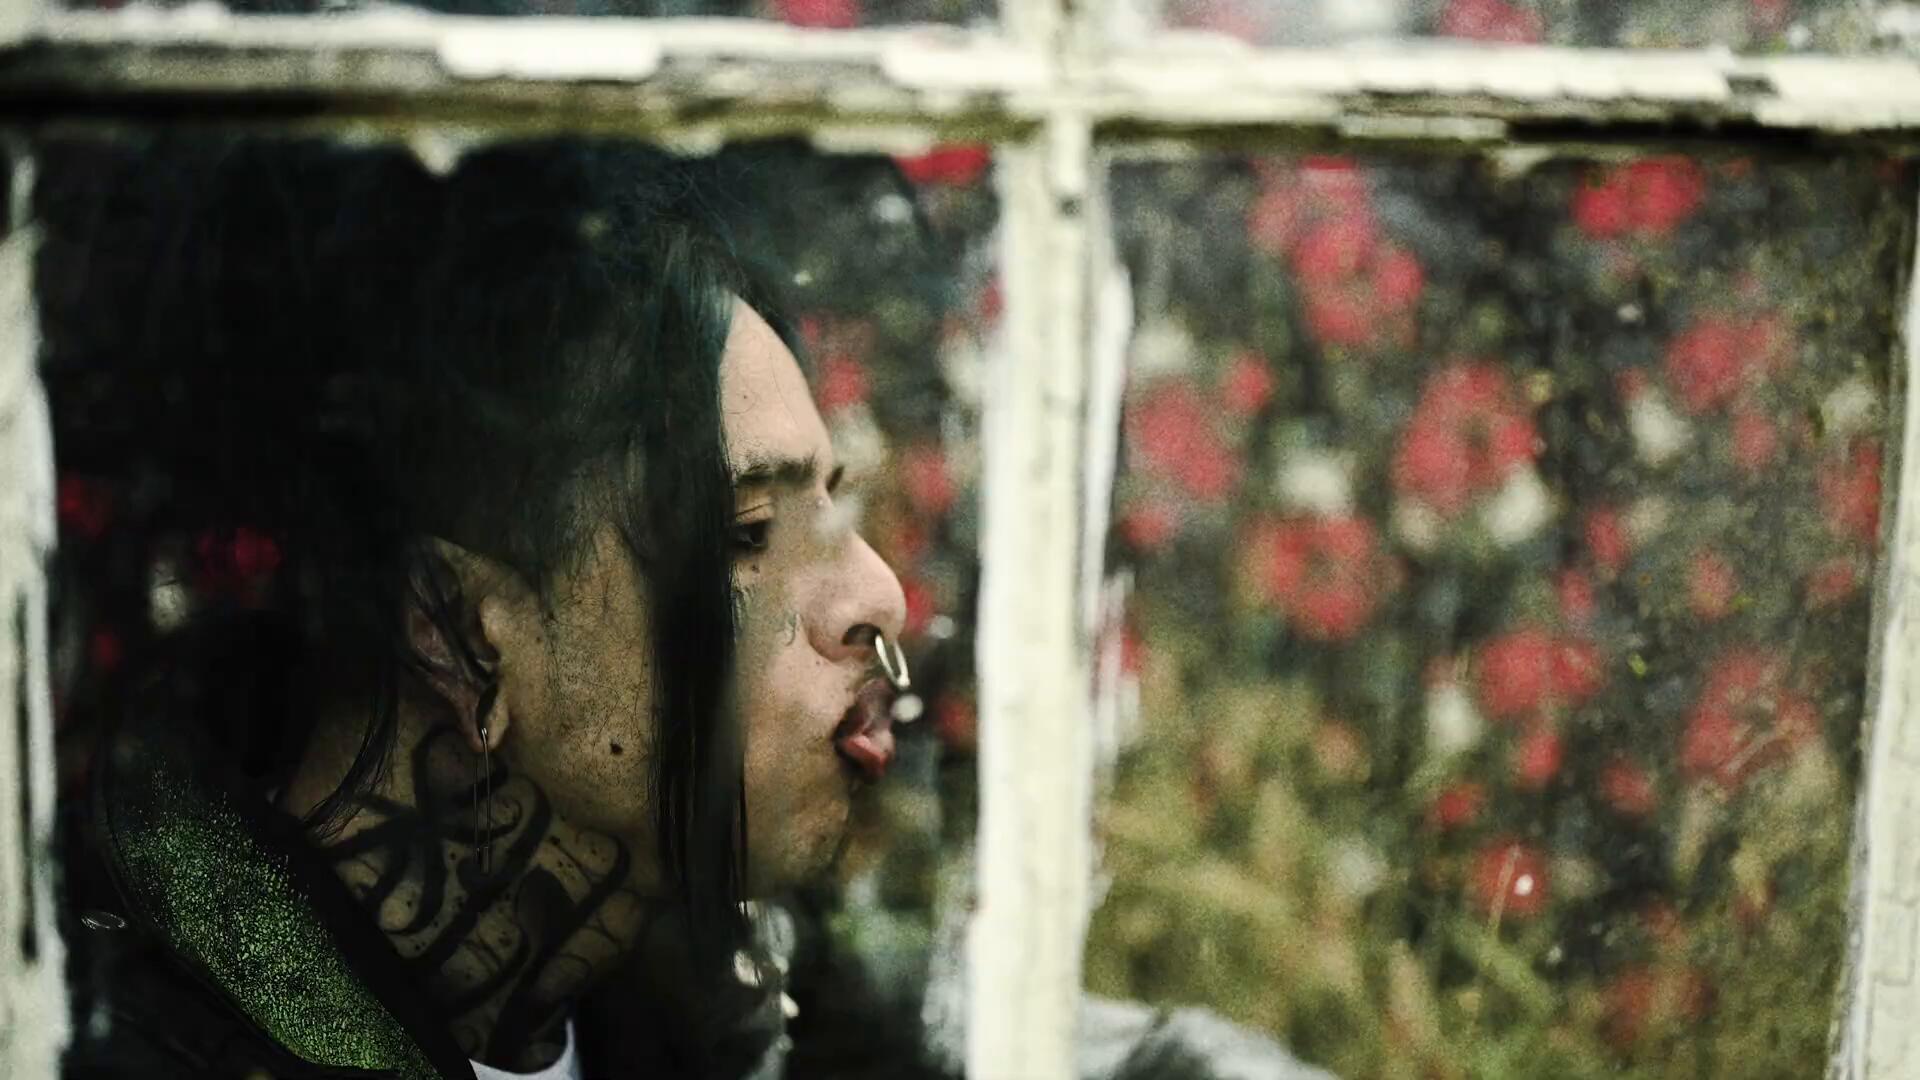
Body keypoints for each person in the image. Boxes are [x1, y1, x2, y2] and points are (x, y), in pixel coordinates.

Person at [49, 138, 906, 1080]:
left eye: (834, 509)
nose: (882, 598)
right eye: (747, 532)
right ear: (459, 635)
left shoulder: (742, 1014)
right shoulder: (99, 1035)